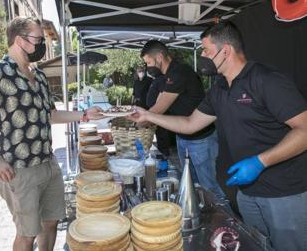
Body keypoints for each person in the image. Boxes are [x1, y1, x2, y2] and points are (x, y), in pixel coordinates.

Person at [129, 22, 307, 251]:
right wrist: (148, 116)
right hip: (248, 192)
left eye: (206, 50)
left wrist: (260, 162)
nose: (202, 55)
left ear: (226, 51)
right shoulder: (219, 89)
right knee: (256, 246)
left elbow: (304, 130)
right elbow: (190, 123)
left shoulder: (266, 80)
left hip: (285, 193)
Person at [0, 17, 103, 251]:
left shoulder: (39, 75)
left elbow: (50, 115)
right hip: (19, 171)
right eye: (38, 39)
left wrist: (84, 116)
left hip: (49, 164)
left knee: (51, 224)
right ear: (20, 40)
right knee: (26, 234)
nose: (42, 45)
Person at [140, 40, 225, 201]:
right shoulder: (167, 76)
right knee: (191, 185)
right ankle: (200, 215)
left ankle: (224, 222)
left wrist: (138, 121)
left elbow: (159, 108)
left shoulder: (179, 72)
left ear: (159, 57)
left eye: (149, 62)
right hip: (183, 137)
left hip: (201, 139)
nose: (148, 67)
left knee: (209, 187)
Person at [145, 73, 176, 161]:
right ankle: (162, 151)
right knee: (159, 132)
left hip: (160, 111)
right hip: (156, 111)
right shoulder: (156, 79)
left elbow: (162, 95)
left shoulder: (161, 79)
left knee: (163, 132)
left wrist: (157, 109)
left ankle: (164, 153)